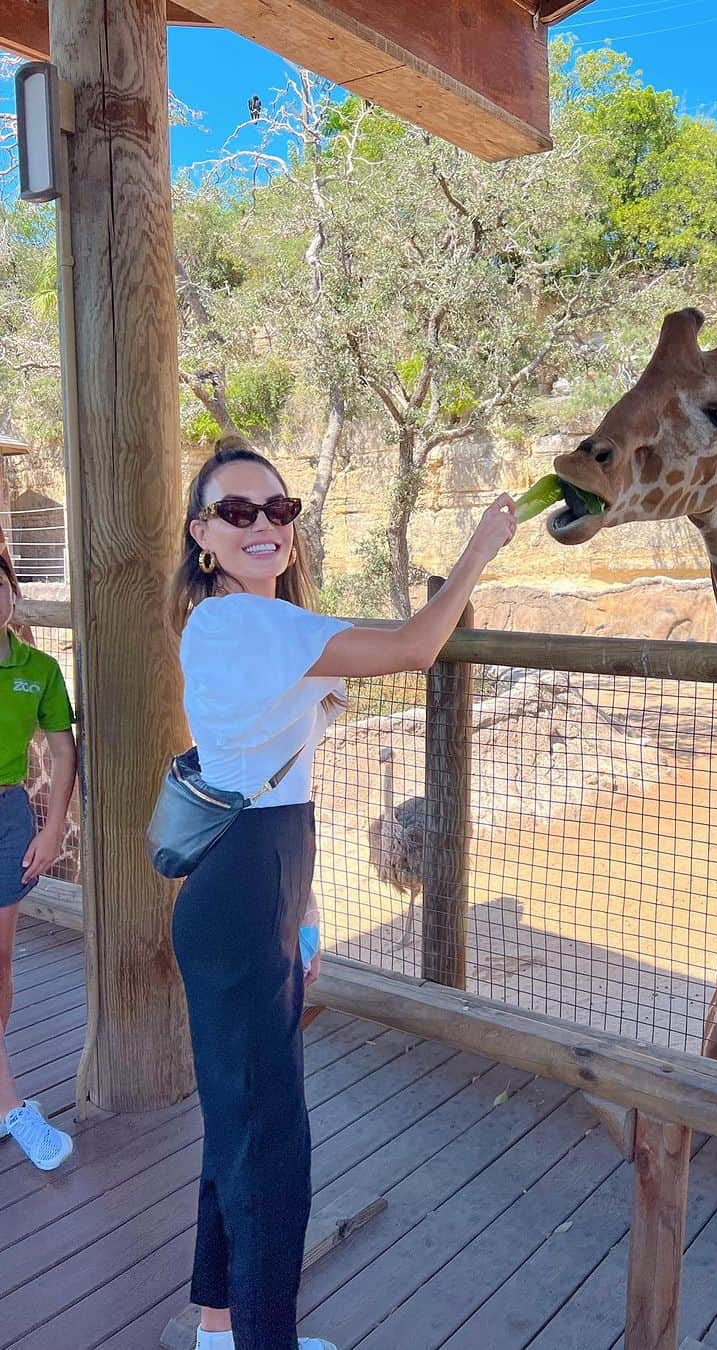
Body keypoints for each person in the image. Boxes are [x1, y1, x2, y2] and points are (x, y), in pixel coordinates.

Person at [168, 437, 516, 1350]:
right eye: (237, 512)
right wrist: (478, 551)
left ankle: (216, 1325)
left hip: (258, 879)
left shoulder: (241, 625)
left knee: (238, 1117)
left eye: (277, 511)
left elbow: (281, 787)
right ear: (203, 533)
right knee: (270, 1135)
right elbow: (414, 646)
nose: (263, 526)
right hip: (246, 889)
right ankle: (262, 1342)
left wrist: (306, 915)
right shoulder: (254, 625)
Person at [0, 550, 77, 1169]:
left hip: (7, 818)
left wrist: (53, 829)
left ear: (13, 595)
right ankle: (11, 1103)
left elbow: (61, 749)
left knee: (1, 964)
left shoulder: (38, 669)